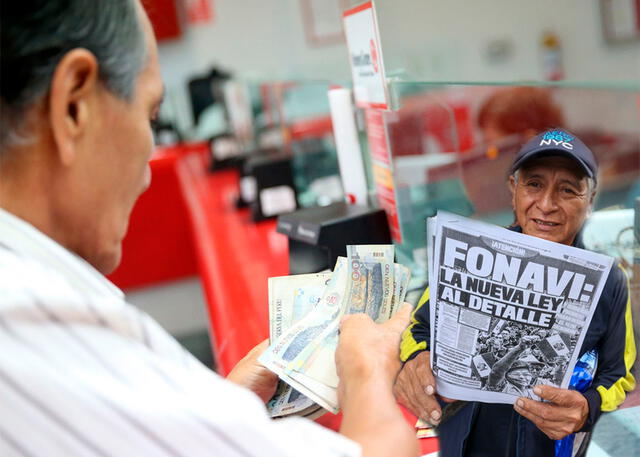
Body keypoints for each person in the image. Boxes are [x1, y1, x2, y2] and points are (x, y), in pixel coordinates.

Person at [0, 2, 419, 457]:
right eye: (149, 114)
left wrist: (222, 407)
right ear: (74, 106)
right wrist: (365, 373)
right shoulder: (33, 325)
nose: (144, 174)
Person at [394, 128, 636, 457]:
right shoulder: (466, 253)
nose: (547, 205)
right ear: (514, 189)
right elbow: (417, 328)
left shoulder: (609, 281)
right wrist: (416, 358)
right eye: (534, 184)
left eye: (567, 190)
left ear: (589, 201)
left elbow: (618, 375)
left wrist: (588, 407)